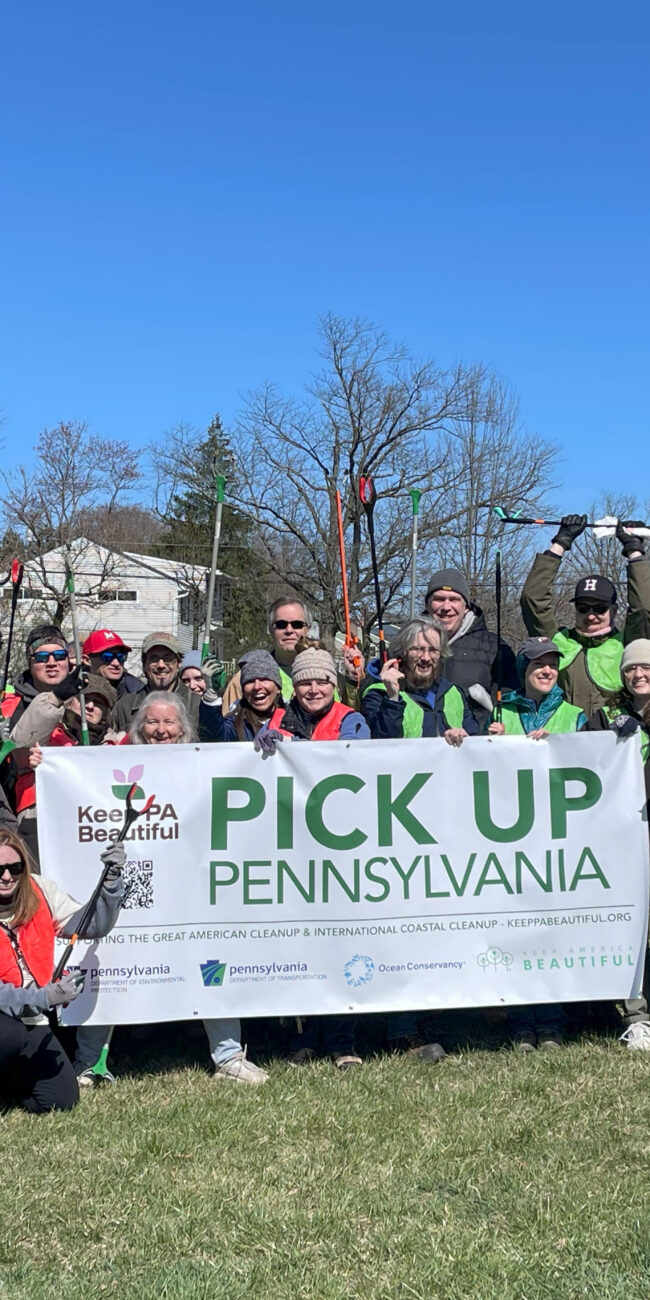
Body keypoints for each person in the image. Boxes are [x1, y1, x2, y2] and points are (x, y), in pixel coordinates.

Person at [76, 692, 268, 1087]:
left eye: (169, 722)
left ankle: (229, 1055)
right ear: (138, 727)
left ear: (183, 729)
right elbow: (74, 780)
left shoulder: (201, 763)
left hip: (190, 884)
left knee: (211, 960)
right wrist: (44, 762)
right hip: (134, 882)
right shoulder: (112, 763)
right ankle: (89, 1062)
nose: (161, 730)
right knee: (108, 964)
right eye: (152, 722)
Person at [256, 648, 369, 1070]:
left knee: (341, 943)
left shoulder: (350, 719)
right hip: (293, 847)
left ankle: (342, 1041)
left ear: (333, 685)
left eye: (322, 680)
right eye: (305, 681)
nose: (314, 688)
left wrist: (294, 747)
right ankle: (303, 1039)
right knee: (301, 946)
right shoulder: (276, 720)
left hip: (341, 845)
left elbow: (350, 758)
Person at [488, 637, 585, 1051]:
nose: (546, 671)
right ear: (523, 671)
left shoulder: (575, 715)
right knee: (515, 930)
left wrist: (562, 746)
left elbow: (590, 763)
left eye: (551, 665)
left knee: (551, 931)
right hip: (508, 839)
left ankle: (551, 1022)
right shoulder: (501, 712)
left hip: (557, 838)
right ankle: (520, 1022)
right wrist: (489, 740)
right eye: (537, 665)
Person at [0, 828, 125, 1113]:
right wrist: (45, 997)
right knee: (10, 1036)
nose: (7, 876)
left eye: (14, 868)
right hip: (7, 1016)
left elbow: (92, 925)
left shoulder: (40, 890)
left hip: (30, 1018)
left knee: (60, 1100)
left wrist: (111, 882)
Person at [586, 639, 650, 1051]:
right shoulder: (607, 717)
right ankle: (637, 1016)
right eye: (630, 669)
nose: (638, 674)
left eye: (646, 668)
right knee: (631, 925)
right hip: (623, 834)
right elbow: (581, 757)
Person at [520, 515, 650, 716]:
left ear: (614, 610)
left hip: (613, 734)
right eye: (583, 608)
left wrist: (634, 550)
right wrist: (560, 543)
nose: (591, 616)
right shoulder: (557, 642)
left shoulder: (627, 644)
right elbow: (533, 599)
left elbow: (642, 607)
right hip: (563, 733)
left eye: (599, 608)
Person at [1, 625, 86, 862]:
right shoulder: (11, 705)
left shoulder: (86, 697)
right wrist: (56, 698)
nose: (51, 663)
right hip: (32, 808)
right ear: (30, 663)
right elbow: (18, 743)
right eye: (41, 657)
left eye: (59, 655)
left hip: (83, 807)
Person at [221, 596, 364, 715]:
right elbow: (227, 732)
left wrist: (353, 678)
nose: (289, 630)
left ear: (308, 629)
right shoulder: (247, 680)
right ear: (270, 629)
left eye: (297, 624)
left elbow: (354, 719)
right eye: (281, 624)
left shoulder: (332, 677)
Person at [361, 616, 479, 744]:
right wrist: (392, 699)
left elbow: (476, 741)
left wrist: (465, 737)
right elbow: (382, 744)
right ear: (402, 653)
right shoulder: (378, 694)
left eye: (433, 650)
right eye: (418, 649)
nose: (426, 658)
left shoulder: (454, 693)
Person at [423, 568, 517, 724]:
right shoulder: (407, 645)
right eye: (439, 599)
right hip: (422, 737)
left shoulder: (494, 648)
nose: (446, 607)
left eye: (454, 600)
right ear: (427, 604)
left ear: (466, 606)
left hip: (475, 737)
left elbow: (512, 705)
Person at [109, 633, 200, 734]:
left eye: (167, 658)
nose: (161, 665)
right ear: (144, 665)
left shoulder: (197, 706)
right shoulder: (125, 708)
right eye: (154, 658)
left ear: (179, 664)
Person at [199, 650, 284, 742]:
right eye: (250, 681)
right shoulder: (236, 726)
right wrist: (210, 696)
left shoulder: (291, 722)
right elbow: (213, 737)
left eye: (264, 679)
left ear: (278, 687)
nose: (257, 686)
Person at [83, 629, 144, 699]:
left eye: (121, 656)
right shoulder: (76, 688)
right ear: (87, 660)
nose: (116, 663)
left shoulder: (137, 690)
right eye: (107, 657)